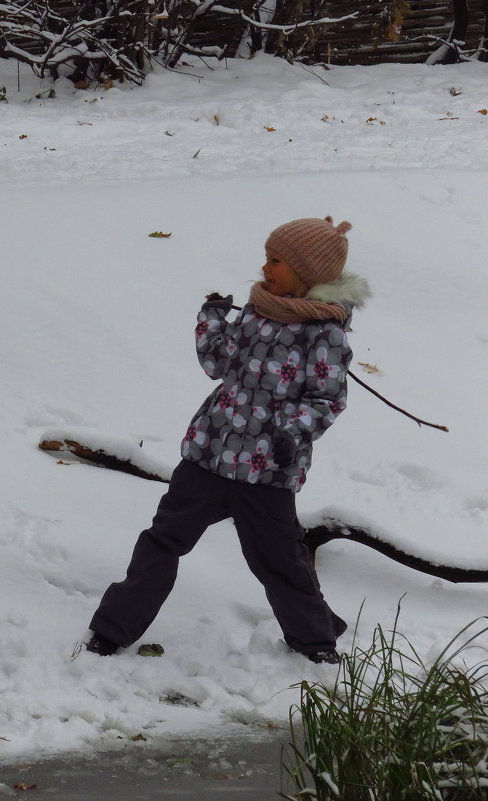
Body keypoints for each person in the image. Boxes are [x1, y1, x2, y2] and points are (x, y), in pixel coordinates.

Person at [85, 217, 370, 664]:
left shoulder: (324, 333)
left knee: (278, 561)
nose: (266, 267)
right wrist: (212, 319)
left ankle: (316, 642)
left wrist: (291, 433)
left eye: (277, 260)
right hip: (209, 453)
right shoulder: (258, 308)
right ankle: (110, 630)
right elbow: (220, 363)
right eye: (267, 256)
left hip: (266, 469)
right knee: (162, 541)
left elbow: (328, 399)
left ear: (309, 273)